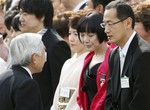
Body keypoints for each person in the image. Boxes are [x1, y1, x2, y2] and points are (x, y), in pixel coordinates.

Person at [18, 0, 71, 109]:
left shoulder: (56, 45)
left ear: (42, 16)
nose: (21, 18)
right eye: (20, 13)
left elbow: (58, 86)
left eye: (25, 14)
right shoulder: (25, 41)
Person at [102, 1, 150, 110]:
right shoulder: (113, 54)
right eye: (104, 24)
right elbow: (110, 97)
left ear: (128, 23)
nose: (106, 30)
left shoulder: (144, 54)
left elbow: (142, 103)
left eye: (110, 24)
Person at [51, 9, 91, 110]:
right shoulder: (68, 63)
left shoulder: (90, 62)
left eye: (76, 34)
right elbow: (58, 93)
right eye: (70, 33)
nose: (71, 38)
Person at [77, 11, 115, 110]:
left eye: (90, 35)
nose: (85, 40)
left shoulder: (114, 57)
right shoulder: (89, 57)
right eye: (82, 35)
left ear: (101, 33)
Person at [0, 33, 46, 110]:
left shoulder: (3, 77)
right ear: (34, 58)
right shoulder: (27, 84)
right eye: (43, 51)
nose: (45, 56)